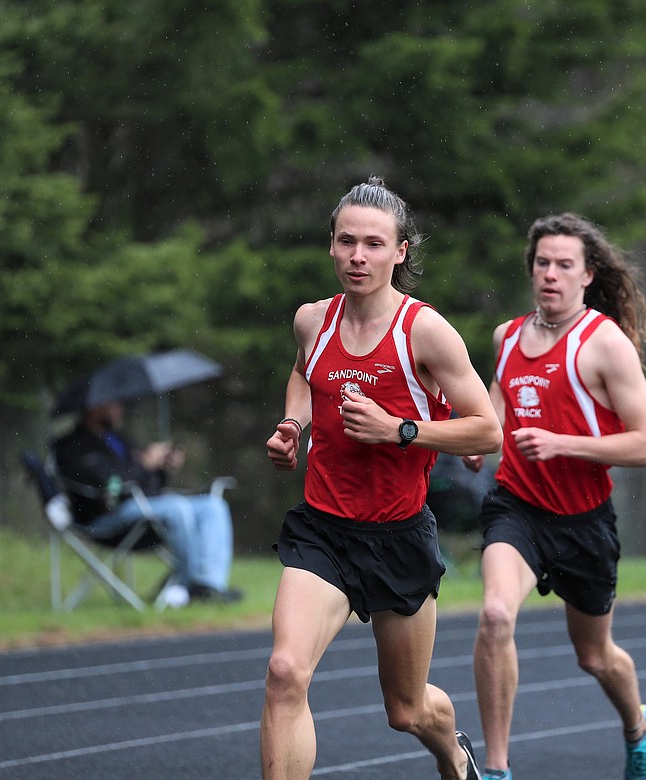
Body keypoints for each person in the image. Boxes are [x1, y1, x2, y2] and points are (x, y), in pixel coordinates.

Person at [261, 177, 502, 780]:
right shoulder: (312, 321)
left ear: (400, 252)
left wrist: (400, 430)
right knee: (285, 673)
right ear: (332, 246)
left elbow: (486, 430)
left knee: (407, 709)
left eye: (373, 244)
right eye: (346, 242)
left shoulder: (425, 331)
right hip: (324, 530)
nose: (357, 256)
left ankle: (455, 753)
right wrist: (294, 424)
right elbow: (302, 376)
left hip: (398, 536)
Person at [462, 213, 646, 780]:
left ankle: (637, 727)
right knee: (496, 615)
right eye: (542, 263)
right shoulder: (506, 337)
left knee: (594, 656)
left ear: (587, 275)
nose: (550, 274)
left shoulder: (605, 345)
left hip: (584, 522)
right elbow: (498, 412)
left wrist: (563, 444)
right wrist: (481, 442)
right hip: (518, 509)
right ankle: (498, 770)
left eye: (563, 265)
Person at [53, 400, 241, 605]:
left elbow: (145, 485)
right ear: (94, 407)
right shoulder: (72, 446)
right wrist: (143, 463)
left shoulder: (119, 438)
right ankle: (190, 586)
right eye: (113, 405)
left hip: (144, 510)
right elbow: (110, 485)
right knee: (177, 506)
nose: (120, 409)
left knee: (213, 506)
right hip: (105, 518)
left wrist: (162, 468)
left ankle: (208, 586)